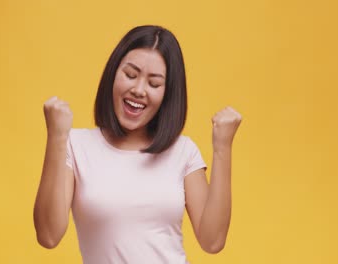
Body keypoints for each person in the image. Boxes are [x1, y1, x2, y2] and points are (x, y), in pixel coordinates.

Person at [34, 25, 242, 264]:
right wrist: (56, 137)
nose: (139, 90)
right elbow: (48, 235)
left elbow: (212, 240)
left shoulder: (183, 151)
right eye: (131, 75)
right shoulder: (76, 146)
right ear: (113, 74)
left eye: (154, 84)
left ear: (168, 93)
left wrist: (223, 147)